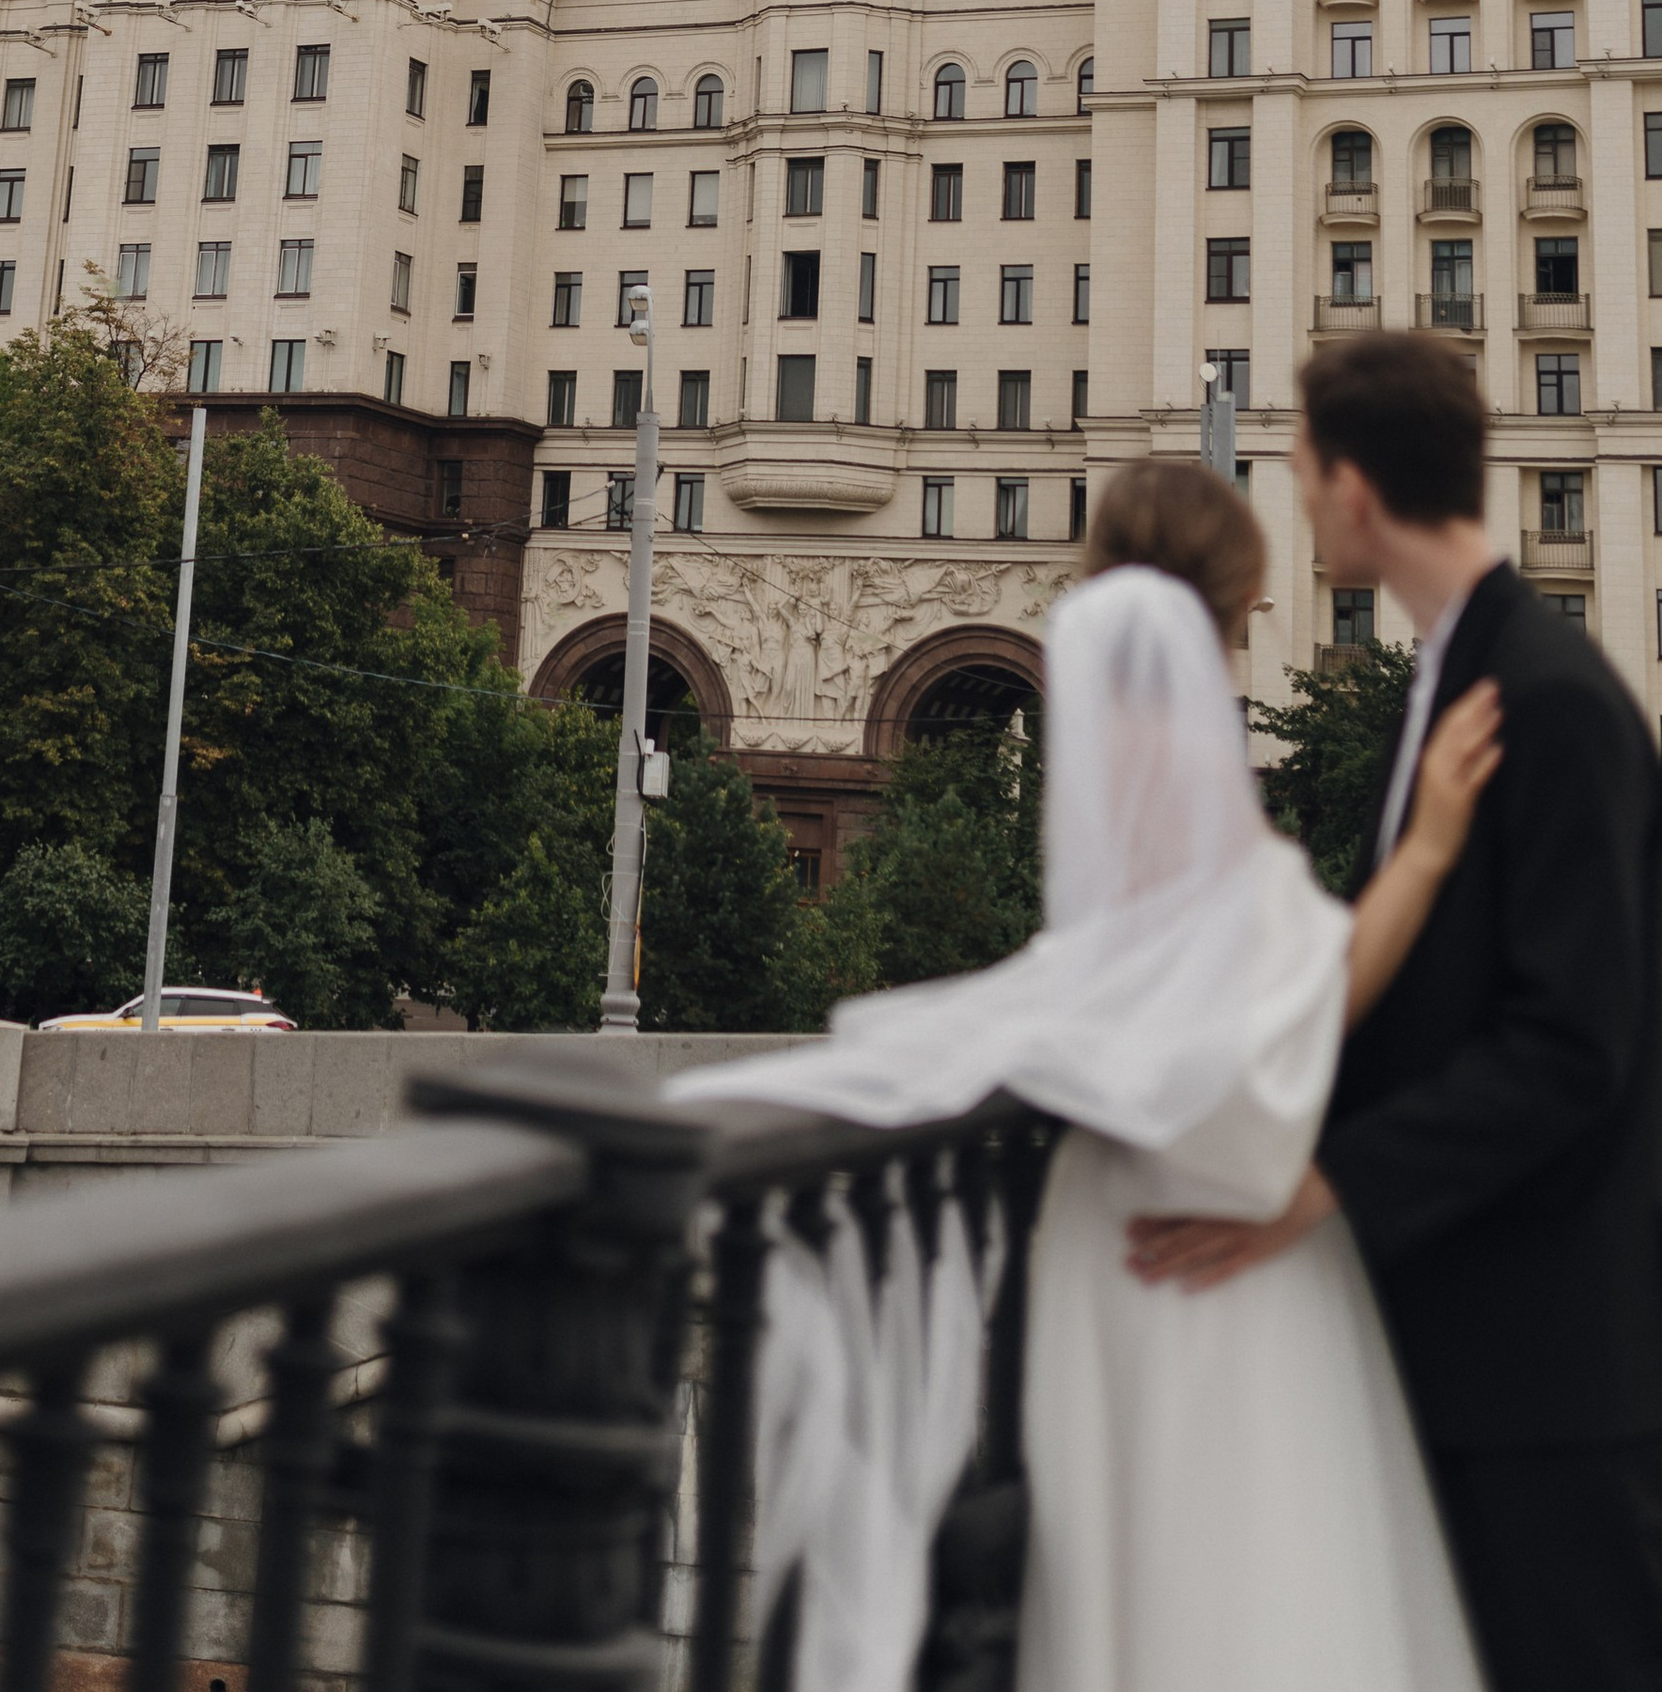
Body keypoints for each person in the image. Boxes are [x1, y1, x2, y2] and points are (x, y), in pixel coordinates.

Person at [687, 459, 1499, 1692]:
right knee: (1253, 1583)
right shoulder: (1187, 775)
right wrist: (1430, 849)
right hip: (1213, 1252)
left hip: (1110, 1236)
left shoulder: (1112, 747)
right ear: (1225, 599)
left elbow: (1138, 974)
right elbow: (1290, 1008)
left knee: (1132, 1593)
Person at [1125, 334, 1662, 1692]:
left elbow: (1571, 1049)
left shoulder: (1551, 701)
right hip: (1467, 1340)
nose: (1296, 497)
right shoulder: (1460, 681)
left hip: (1544, 1369)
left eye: (1302, 469)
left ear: (1355, 489)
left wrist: (1321, 1187)